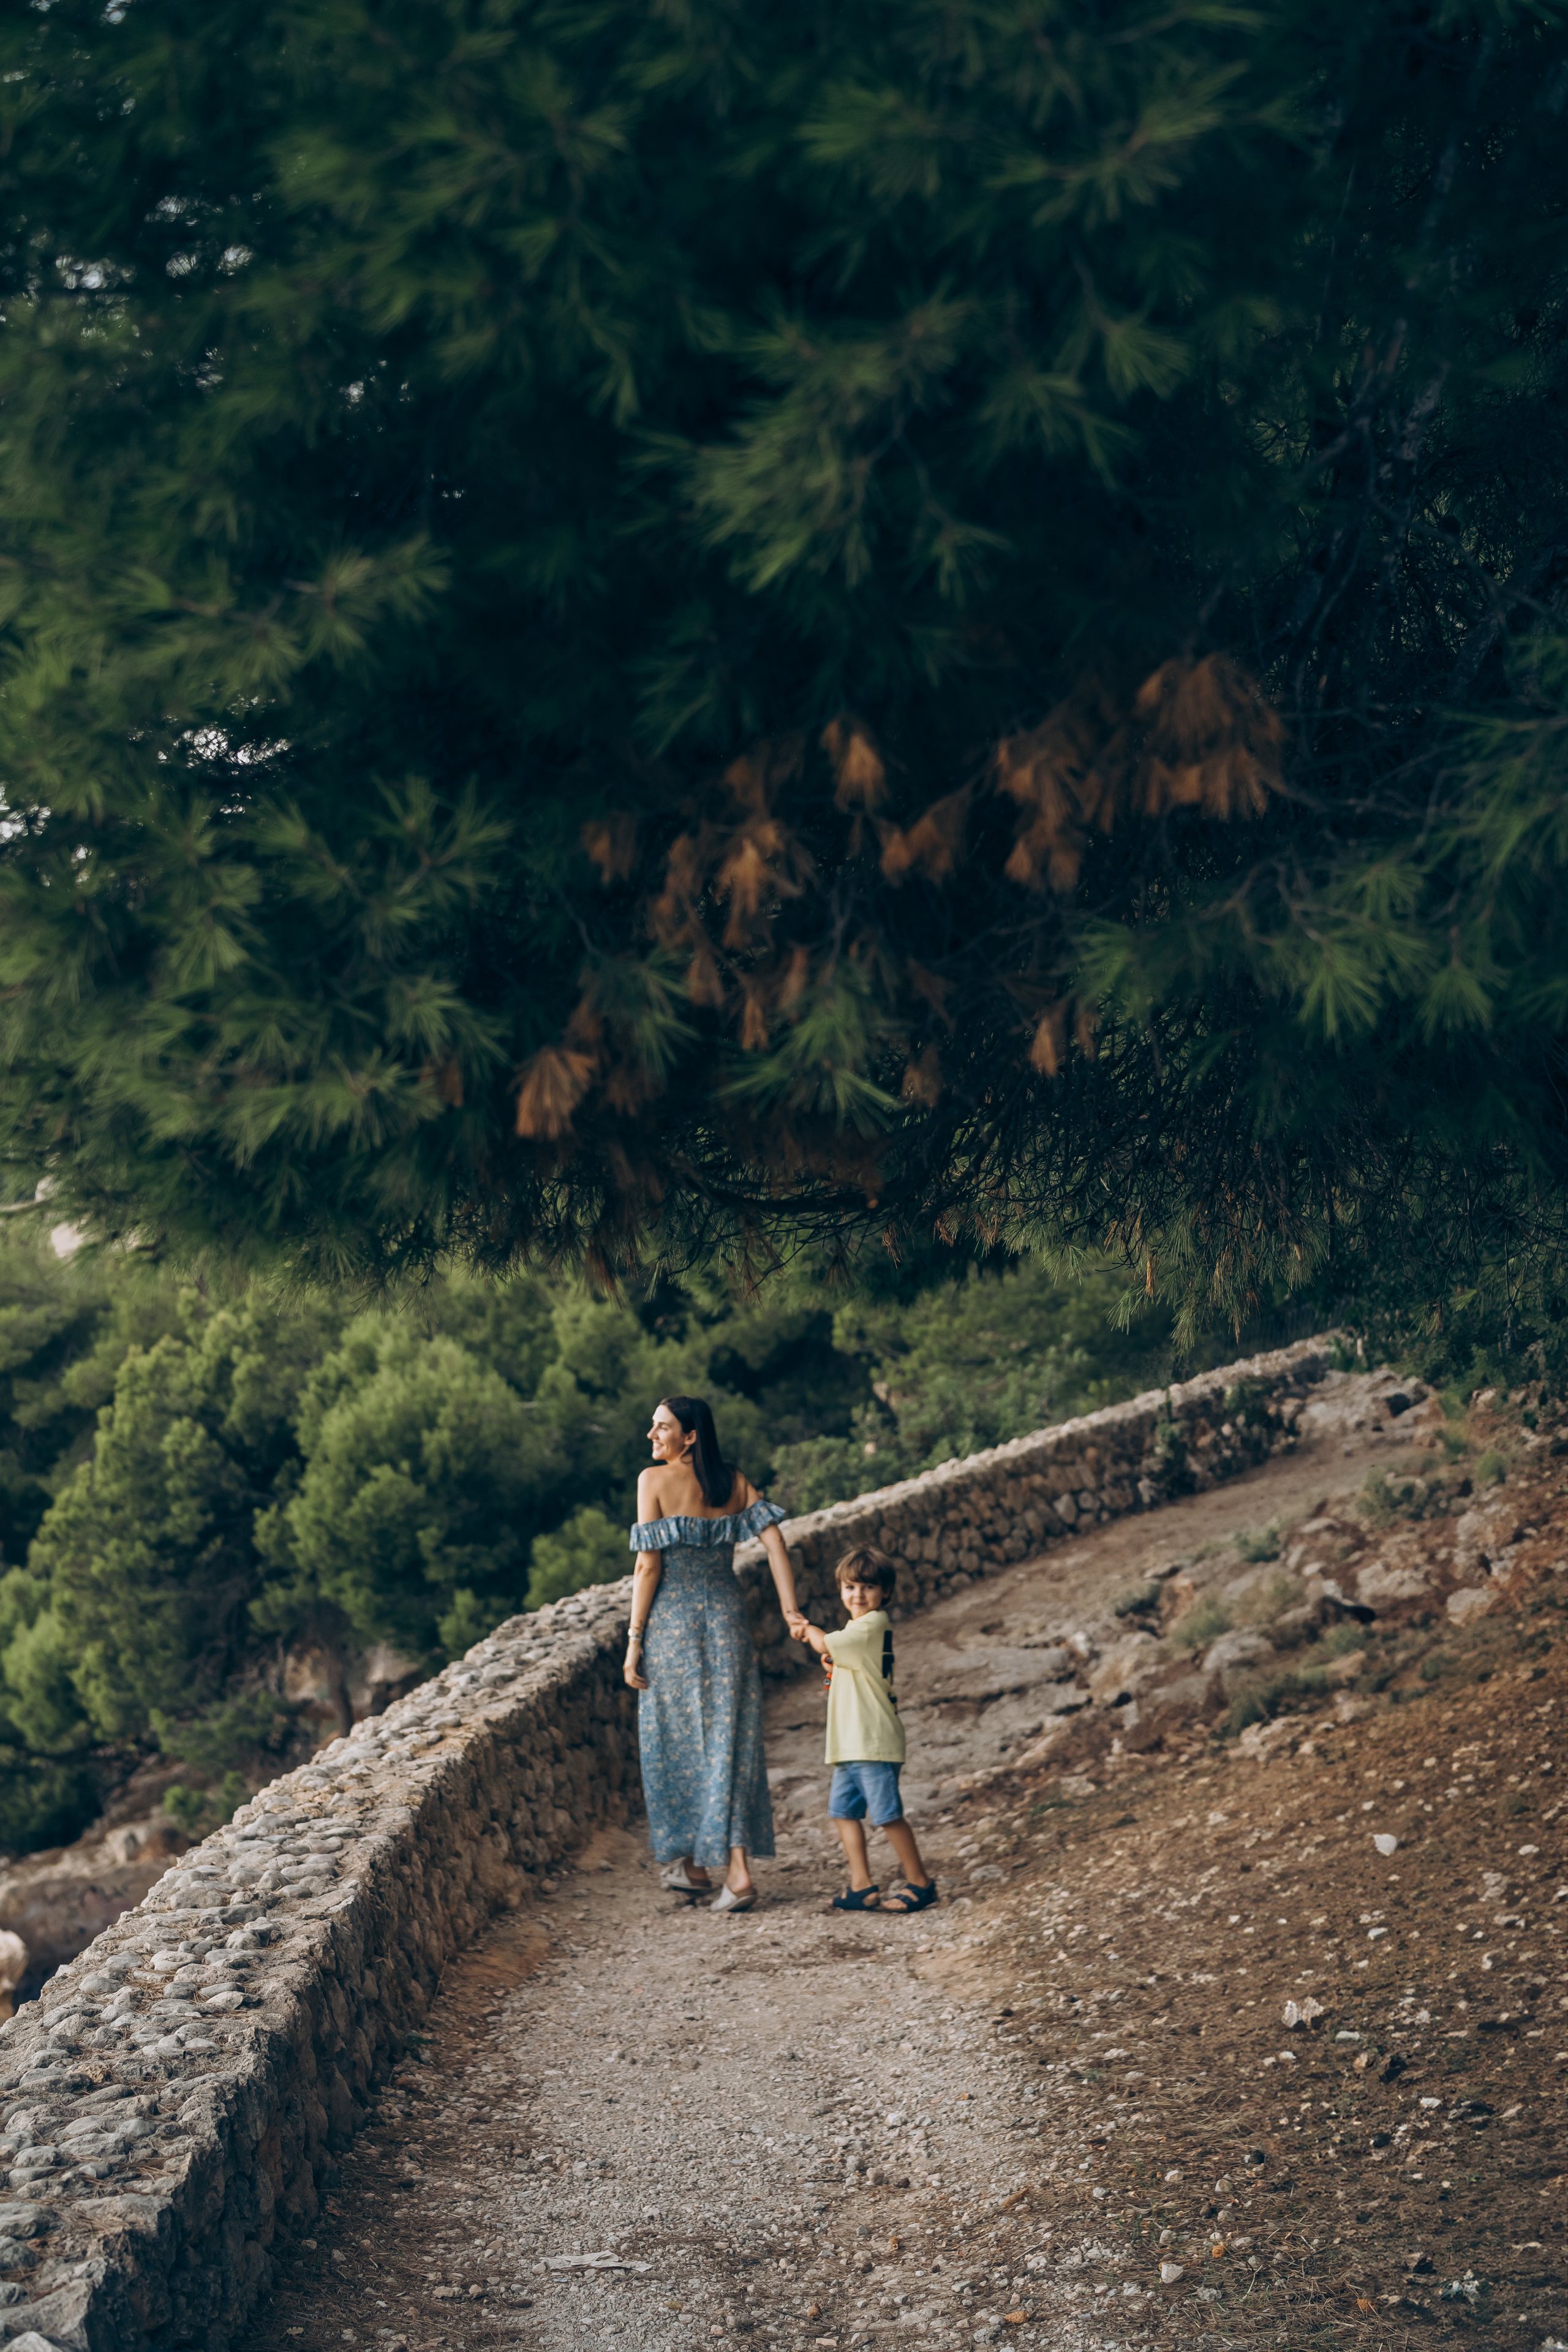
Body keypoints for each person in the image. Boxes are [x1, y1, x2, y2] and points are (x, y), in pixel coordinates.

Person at [625, 1395, 806, 1913]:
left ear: (691, 1435)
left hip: (673, 1629)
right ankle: (707, 1867)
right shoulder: (733, 1481)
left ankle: (727, 1870)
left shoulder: (651, 1482)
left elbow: (648, 1568)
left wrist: (634, 1640)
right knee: (729, 1741)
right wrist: (791, 1612)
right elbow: (775, 1543)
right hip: (728, 1621)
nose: (652, 1435)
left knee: (679, 1745)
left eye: (662, 1427)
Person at [792, 1546, 938, 1915]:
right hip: (850, 1745)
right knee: (843, 1812)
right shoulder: (859, 1631)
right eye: (850, 1587)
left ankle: (921, 1882)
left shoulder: (871, 1625)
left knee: (888, 1814)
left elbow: (824, 1644)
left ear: (885, 1592)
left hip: (872, 1741)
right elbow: (838, 1659)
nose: (858, 1595)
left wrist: (806, 1628)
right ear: (841, 1590)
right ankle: (862, 1885)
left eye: (868, 1587)